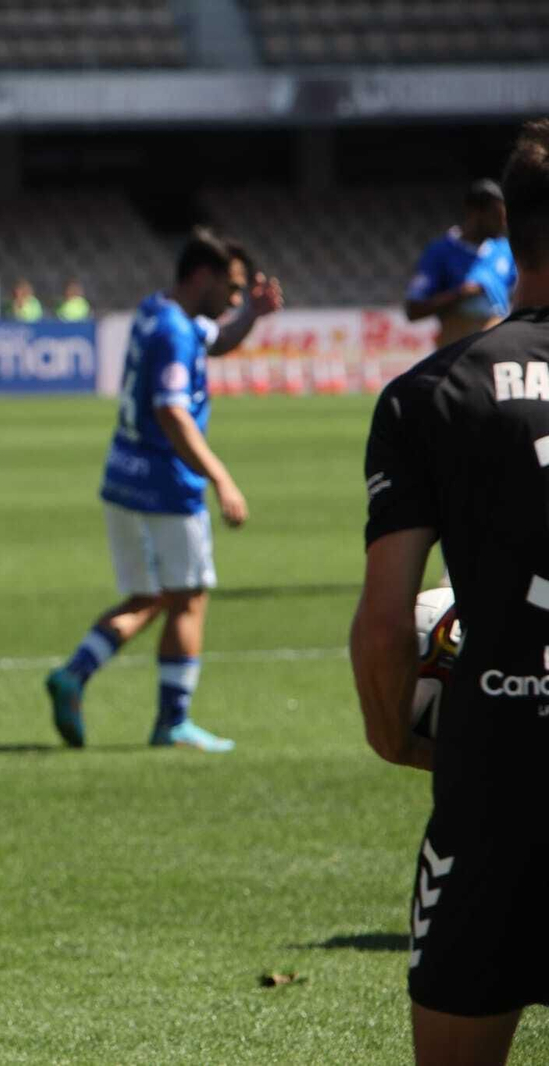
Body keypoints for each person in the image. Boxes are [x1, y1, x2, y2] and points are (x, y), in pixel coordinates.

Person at [351, 119, 549, 1066]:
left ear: (511, 230)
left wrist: (395, 735)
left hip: (497, 782)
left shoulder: (427, 395)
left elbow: (387, 624)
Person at [43, 228, 282, 753]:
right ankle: (172, 722)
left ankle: (74, 675)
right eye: (233, 287)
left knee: (151, 596)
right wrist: (221, 478)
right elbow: (171, 410)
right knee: (189, 601)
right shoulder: (175, 331)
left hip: (122, 475)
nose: (237, 298)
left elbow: (215, 340)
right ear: (202, 276)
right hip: (168, 485)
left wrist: (253, 318)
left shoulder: (157, 311)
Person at [405, 178, 517, 350]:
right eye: (496, 216)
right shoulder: (440, 252)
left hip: (497, 350)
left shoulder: (505, 251)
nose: (503, 224)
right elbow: (414, 310)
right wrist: (459, 295)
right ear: (474, 213)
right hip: (456, 351)